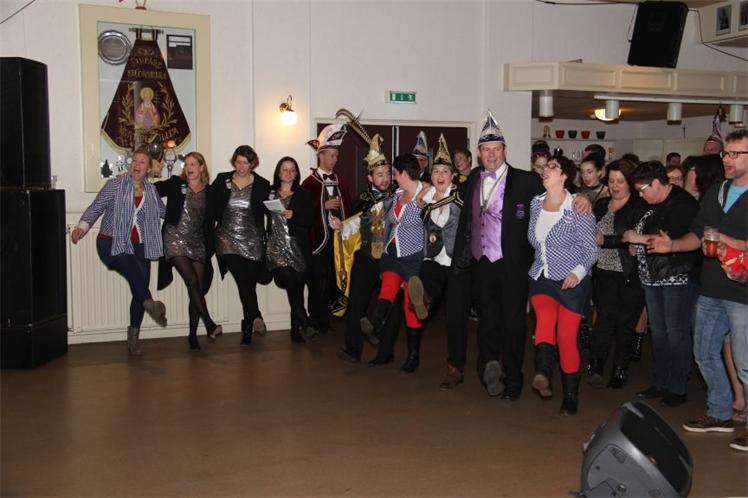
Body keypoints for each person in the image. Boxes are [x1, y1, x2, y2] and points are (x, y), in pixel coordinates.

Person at [451, 110, 591, 399]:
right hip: (481, 262)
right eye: (486, 150)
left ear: (505, 150)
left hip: (513, 265)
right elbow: (459, 208)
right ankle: (489, 366)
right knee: (486, 319)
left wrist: (581, 199)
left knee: (513, 324)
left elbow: (557, 192)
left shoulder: (525, 181)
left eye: (496, 149)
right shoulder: (474, 177)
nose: (491, 154)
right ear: (479, 153)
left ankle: (513, 380)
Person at [648, 129, 747, 452]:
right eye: (726, 154)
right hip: (711, 286)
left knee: (745, 363)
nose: (728, 160)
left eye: (736, 154)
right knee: (703, 353)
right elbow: (697, 234)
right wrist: (673, 245)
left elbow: (722, 239)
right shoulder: (717, 191)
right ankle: (719, 412)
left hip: (742, 292)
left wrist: (729, 241)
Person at [71, 146, 167, 356]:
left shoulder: (151, 191)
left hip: (141, 246)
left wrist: (186, 214)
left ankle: (134, 338)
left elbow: (164, 212)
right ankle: (151, 304)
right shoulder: (115, 185)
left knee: (139, 287)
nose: (136, 165)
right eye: (134, 161)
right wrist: (81, 227)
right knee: (136, 275)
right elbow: (96, 207)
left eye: (142, 162)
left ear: (149, 168)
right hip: (111, 242)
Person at [623, 161, 700, 408]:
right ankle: (661, 381)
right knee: (658, 331)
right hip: (652, 276)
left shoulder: (683, 203)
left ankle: (677, 386)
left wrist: (638, 238)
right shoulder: (650, 204)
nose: (640, 195)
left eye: (642, 189)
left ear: (657, 183)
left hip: (677, 275)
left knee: (676, 332)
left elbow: (673, 238)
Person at [527, 155, 598, 415]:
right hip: (541, 277)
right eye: (545, 166)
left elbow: (591, 251)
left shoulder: (578, 207)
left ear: (565, 175)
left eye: (553, 167)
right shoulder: (536, 203)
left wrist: (577, 273)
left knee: (566, 337)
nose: (546, 170)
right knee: (544, 322)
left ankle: (570, 395)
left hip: (571, 282)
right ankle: (543, 374)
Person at [411, 135, 468, 388]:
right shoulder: (425, 197)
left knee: (455, 319)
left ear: (452, 175)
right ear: (430, 174)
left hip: (458, 263)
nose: (440, 175)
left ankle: (455, 369)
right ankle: (424, 298)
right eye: (436, 171)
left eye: (445, 171)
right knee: (428, 270)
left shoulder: (463, 195)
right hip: (433, 257)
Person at [337, 134, 396, 363]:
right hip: (365, 255)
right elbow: (351, 227)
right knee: (356, 304)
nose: (385, 178)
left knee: (389, 305)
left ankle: (385, 353)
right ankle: (353, 349)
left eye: (388, 174)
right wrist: (340, 226)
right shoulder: (361, 199)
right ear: (370, 177)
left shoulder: (399, 197)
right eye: (380, 175)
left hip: (390, 258)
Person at [587, 159, 646, 389]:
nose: (615, 186)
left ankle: (620, 369)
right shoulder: (602, 204)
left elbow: (636, 239)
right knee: (603, 321)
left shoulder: (638, 206)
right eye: (611, 181)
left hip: (628, 274)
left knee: (625, 325)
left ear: (629, 182)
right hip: (603, 272)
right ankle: (596, 365)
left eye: (620, 181)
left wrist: (607, 240)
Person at [155, 151, 221, 351]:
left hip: (197, 242)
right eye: (187, 164)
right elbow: (153, 189)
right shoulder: (176, 183)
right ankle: (209, 323)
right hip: (174, 238)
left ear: (201, 167)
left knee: (197, 289)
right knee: (191, 280)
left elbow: (218, 216)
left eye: (193, 164)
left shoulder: (211, 192)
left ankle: (192, 336)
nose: (189, 168)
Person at [367, 153, 427, 373]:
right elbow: (386, 220)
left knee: (410, 306)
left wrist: (428, 188)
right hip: (392, 252)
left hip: (413, 256)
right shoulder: (397, 194)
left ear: (404, 173)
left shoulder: (425, 194)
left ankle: (413, 356)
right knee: (387, 289)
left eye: (394, 173)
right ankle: (374, 327)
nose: (392, 177)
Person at [211, 145, 270, 346]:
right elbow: (209, 203)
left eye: (245, 163)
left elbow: (271, 210)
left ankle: (250, 321)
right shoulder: (222, 180)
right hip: (227, 239)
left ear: (252, 164)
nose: (241, 167)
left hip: (253, 240)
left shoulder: (262, 184)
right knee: (242, 278)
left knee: (248, 282)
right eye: (238, 162)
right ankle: (253, 318)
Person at [301, 124, 350, 336]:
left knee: (332, 281)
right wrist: (323, 206)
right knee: (316, 282)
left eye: (336, 155)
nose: (335, 159)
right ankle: (315, 321)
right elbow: (302, 214)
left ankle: (328, 320)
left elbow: (349, 208)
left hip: (336, 241)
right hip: (317, 242)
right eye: (332, 155)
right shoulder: (308, 183)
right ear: (320, 156)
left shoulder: (341, 183)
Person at [266, 156, 313, 344]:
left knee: (296, 289)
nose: (288, 173)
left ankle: (295, 330)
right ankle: (305, 320)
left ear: (296, 174)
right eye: (284, 169)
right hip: (276, 246)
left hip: (297, 247)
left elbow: (309, 220)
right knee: (288, 279)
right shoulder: (269, 192)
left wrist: (294, 215)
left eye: (292, 170)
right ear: (278, 172)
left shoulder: (303, 194)